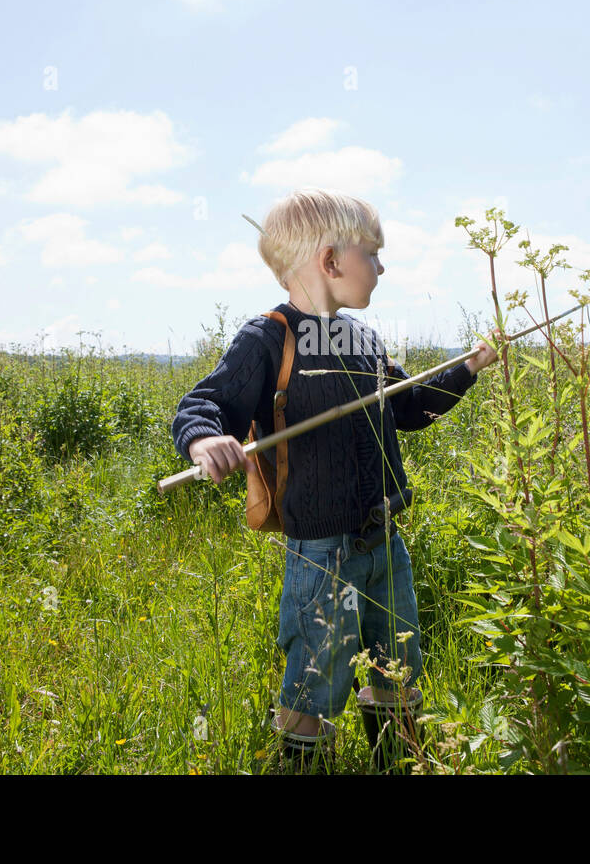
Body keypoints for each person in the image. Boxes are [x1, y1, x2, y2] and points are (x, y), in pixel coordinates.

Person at [170, 187, 500, 772]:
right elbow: (206, 403)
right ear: (329, 262)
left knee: (397, 663)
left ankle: (395, 761)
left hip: (384, 543)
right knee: (316, 677)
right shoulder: (270, 337)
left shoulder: (362, 340)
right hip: (323, 553)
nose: (381, 266)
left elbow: (409, 408)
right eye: (372, 254)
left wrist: (466, 370)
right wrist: (204, 438)